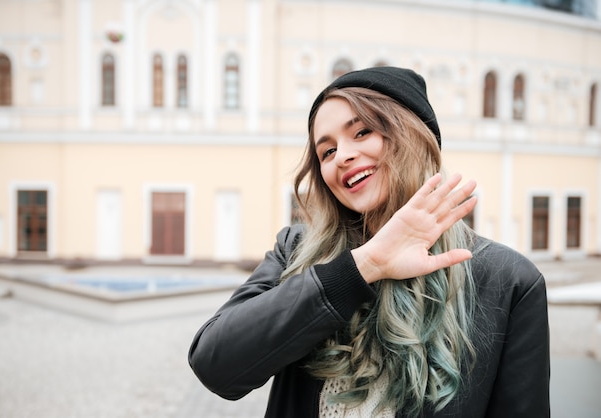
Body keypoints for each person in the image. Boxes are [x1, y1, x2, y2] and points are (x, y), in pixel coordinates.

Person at [188, 66, 550, 417]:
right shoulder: (294, 251)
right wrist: (363, 266)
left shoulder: (509, 280)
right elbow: (215, 365)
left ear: (412, 134)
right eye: (326, 152)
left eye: (362, 132)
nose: (342, 156)